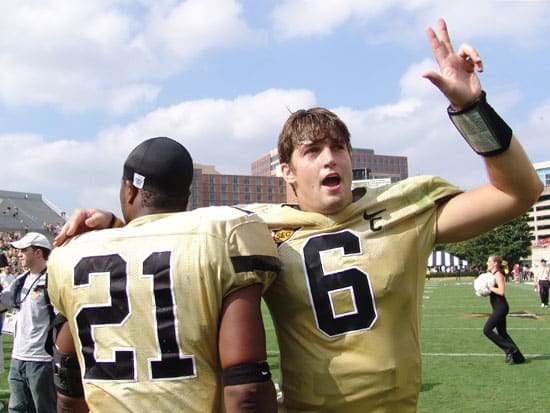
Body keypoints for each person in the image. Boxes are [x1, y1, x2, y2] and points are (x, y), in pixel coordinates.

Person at [54, 18, 543, 412]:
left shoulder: (403, 210)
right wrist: (117, 227)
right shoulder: (256, 229)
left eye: (338, 147)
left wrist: (472, 107)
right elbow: (177, 251)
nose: (330, 158)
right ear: (286, 171)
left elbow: (519, 191)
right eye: (313, 151)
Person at [47, 137, 280, 412]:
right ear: (187, 194)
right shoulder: (222, 238)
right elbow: (246, 389)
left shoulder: (73, 254)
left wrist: (114, 227)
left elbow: (68, 380)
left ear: (129, 190)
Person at [0, 232, 57, 413]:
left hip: (41, 360)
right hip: (18, 357)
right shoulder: (21, 280)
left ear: (38, 252)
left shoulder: (53, 279)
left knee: (44, 409)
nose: (18, 254)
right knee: (16, 409)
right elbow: (2, 303)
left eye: (24, 250)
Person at [483, 256, 525, 364]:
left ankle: (510, 349)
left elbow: (501, 291)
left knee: (487, 330)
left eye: (489, 261)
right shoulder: (492, 275)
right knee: (502, 334)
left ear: (495, 263)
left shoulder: (498, 275)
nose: (487, 263)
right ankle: (519, 358)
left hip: (501, 308)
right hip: (497, 307)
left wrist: (489, 288)